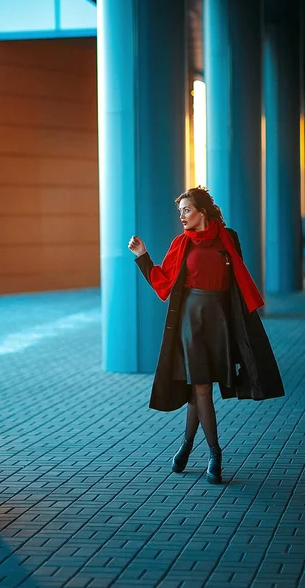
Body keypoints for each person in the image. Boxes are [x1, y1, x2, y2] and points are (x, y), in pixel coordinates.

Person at [128, 186, 284, 484]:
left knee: (198, 393)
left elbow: (237, 281)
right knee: (200, 388)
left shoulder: (228, 239)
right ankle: (215, 454)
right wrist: (143, 256)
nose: (182, 217)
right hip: (190, 322)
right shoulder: (181, 243)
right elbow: (164, 282)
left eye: (186, 210)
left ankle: (186, 446)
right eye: (180, 212)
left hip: (221, 322)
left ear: (203, 211)